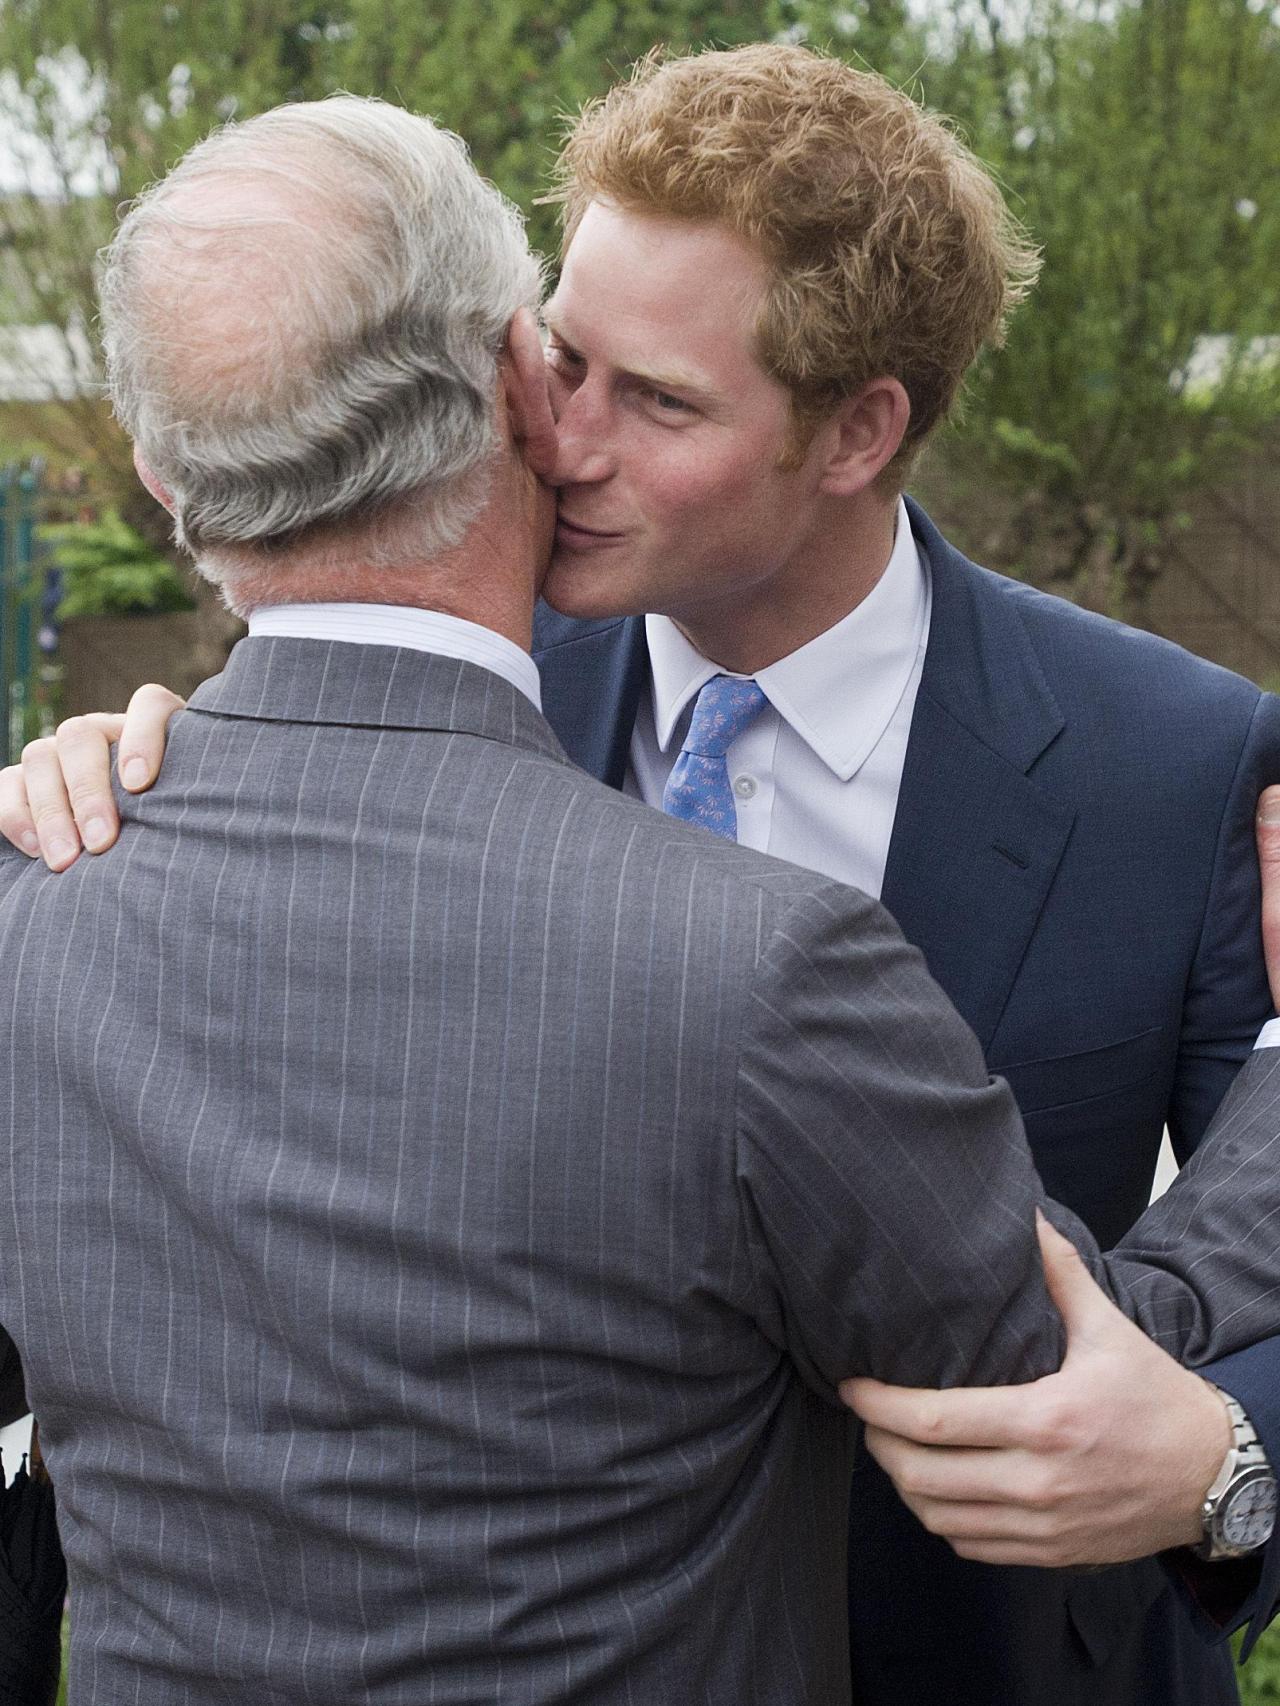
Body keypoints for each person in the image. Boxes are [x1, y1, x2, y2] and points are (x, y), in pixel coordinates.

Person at [5, 45, 1280, 1704]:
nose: (558, 433)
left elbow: (1182, 1327)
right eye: (565, 355)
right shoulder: (451, 637)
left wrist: (1235, 1464)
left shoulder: (1176, 755)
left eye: (658, 400)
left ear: (859, 430)